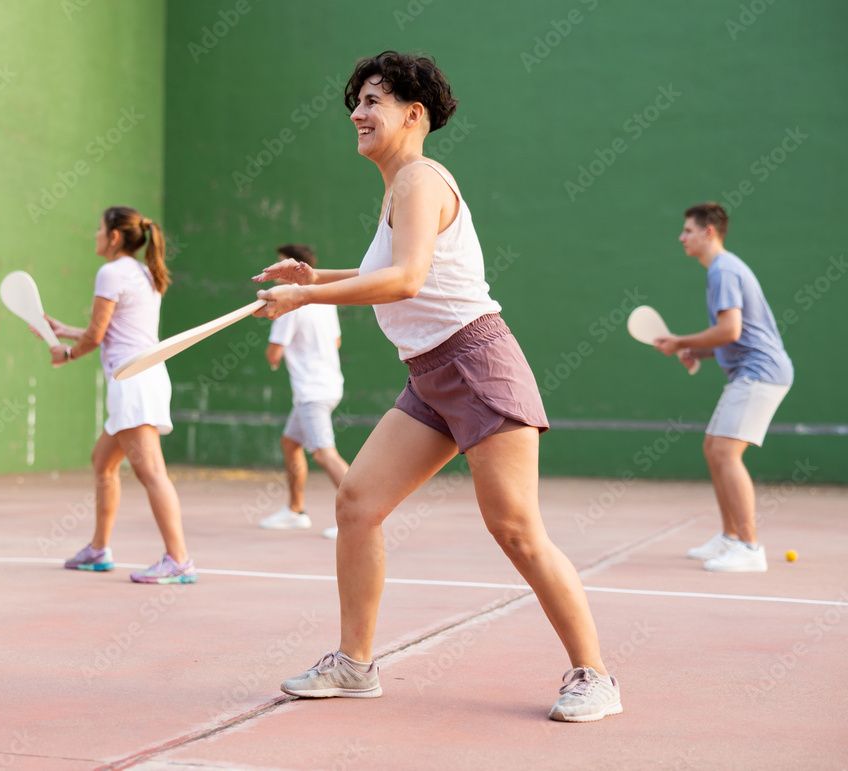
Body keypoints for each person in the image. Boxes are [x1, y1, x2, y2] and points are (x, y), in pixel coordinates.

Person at [252, 52, 620, 722]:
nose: (358, 115)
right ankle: (355, 664)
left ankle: (594, 673)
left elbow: (406, 279)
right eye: (355, 104)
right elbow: (393, 268)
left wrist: (308, 299)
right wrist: (312, 278)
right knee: (358, 502)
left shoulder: (421, 179)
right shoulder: (399, 188)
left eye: (373, 101)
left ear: (414, 114)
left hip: (476, 365)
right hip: (429, 375)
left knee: (516, 528)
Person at [43, 206, 197, 585]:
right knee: (103, 462)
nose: (95, 235)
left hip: (133, 380)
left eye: (99, 229)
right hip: (144, 376)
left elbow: (96, 337)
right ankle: (98, 550)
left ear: (114, 236)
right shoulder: (143, 271)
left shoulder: (111, 272)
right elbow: (116, 329)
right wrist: (67, 330)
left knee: (152, 472)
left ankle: (179, 560)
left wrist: (66, 354)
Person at [654, 202, 793, 573]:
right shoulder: (723, 269)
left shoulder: (723, 270)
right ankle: (731, 537)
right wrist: (697, 350)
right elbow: (737, 336)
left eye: (687, 230)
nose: (681, 237)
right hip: (751, 369)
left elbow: (730, 329)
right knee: (714, 449)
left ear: (708, 232)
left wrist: (681, 341)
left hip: (760, 371)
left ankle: (750, 548)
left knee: (727, 454)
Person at [258, 244, 349, 539]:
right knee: (290, 443)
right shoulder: (325, 301)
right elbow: (335, 342)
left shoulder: (288, 307)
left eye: (280, 267)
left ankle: (359, 515)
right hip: (328, 385)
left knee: (324, 454)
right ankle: (295, 511)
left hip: (313, 392)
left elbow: (273, 355)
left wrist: (279, 354)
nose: (274, 273)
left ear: (296, 271)